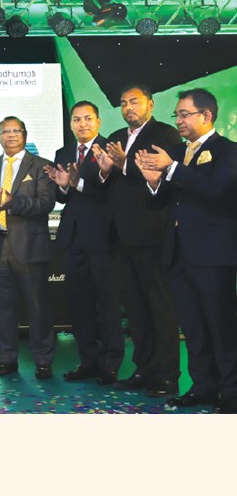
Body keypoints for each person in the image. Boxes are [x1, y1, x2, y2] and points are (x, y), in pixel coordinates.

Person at [134, 88, 237, 414]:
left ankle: (231, 391)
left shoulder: (228, 151)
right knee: (192, 326)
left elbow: (215, 191)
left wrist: (172, 169)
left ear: (206, 115)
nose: (178, 120)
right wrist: (153, 180)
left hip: (213, 253)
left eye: (184, 114)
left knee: (220, 325)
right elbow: (159, 202)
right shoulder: (177, 152)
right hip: (178, 251)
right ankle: (203, 385)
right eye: (176, 115)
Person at [92, 85, 181, 398]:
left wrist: (124, 164)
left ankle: (168, 375)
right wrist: (105, 171)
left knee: (160, 307)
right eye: (123, 103)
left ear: (150, 104)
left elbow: (158, 178)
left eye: (134, 101)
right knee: (135, 309)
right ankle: (144, 368)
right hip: (119, 236)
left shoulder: (165, 135)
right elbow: (110, 184)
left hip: (151, 235)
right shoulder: (116, 137)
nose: (128, 107)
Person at [43, 101, 123, 385]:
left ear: (99, 121)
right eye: (76, 119)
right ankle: (88, 360)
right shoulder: (63, 152)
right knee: (79, 302)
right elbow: (62, 196)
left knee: (107, 302)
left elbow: (110, 193)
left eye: (88, 118)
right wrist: (63, 186)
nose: (82, 124)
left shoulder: (110, 149)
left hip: (103, 236)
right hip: (73, 236)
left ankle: (111, 363)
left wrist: (76, 183)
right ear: (71, 124)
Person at [0, 116, 56, 380]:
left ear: (25, 135)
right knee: (2, 308)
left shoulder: (40, 165)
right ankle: (6, 359)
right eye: (5, 131)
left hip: (30, 246)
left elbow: (46, 203)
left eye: (15, 130)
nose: (10, 135)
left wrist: (13, 203)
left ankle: (43, 361)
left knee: (37, 307)